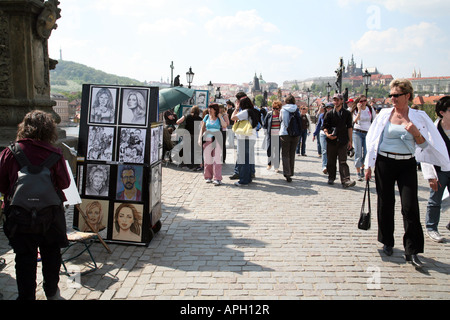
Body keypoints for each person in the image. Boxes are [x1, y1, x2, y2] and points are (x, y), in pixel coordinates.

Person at [365, 79, 449, 268]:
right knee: (385, 203)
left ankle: (412, 250)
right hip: (384, 163)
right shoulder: (384, 115)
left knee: (410, 207)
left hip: (407, 164)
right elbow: (372, 139)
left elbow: (426, 147)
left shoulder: (419, 117)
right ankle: (387, 241)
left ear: (407, 96)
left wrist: (416, 133)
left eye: (396, 95)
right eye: (391, 95)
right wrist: (368, 165)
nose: (392, 99)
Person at [0, 110, 71, 300]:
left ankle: (26, 296)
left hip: (19, 215)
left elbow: (2, 184)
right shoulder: (55, 153)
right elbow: (64, 183)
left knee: (24, 258)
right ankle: (51, 292)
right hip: (50, 215)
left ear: (24, 128)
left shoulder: (10, 152)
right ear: (49, 130)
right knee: (51, 255)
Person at [421, 96, 450, 243]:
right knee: (435, 200)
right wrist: (430, 176)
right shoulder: (434, 129)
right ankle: (431, 227)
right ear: (442, 112)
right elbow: (426, 152)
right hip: (439, 170)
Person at [322, 93, 356, 188]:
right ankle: (331, 177)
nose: (336, 102)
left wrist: (350, 141)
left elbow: (349, 127)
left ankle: (346, 180)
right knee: (331, 160)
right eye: (334, 100)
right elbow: (325, 127)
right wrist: (328, 135)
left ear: (341, 101)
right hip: (331, 140)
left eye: (338, 100)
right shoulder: (329, 113)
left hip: (343, 140)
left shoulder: (346, 113)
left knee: (343, 161)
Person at [231, 96, 259, 186]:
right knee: (247, 159)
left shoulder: (245, 112)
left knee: (243, 160)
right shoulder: (253, 111)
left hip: (245, 138)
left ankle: (243, 180)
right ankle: (248, 178)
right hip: (251, 137)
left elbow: (233, 118)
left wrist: (236, 108)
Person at [198, 103, 227, 186]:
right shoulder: (206, 117)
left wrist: (220, 117)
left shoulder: (219, 118)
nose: (209, 110)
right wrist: (200, 138)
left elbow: (224, 125)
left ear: (215, 109)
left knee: (217, 159)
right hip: (207, 139)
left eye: (211, 109)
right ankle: (208, 176)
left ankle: (217, 178)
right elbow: (202, 128)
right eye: (209, 108)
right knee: (207, 159)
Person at [351, 95, 374, 181]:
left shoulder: (370, 109)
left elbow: (374, 120)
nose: (363, 102)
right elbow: (355, 121)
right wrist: (359, 110)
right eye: (361, 101)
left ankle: (363, 167)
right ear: (358, 102)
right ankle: (358, 172)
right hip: (357, 132)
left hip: (368, 132)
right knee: (358, 152)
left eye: (365, 100)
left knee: (366, 152)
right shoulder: (355, 110)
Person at [279, 95, 302, 182]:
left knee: (285, 154)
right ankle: (291, 172)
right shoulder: (296, 109)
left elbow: (281, 120)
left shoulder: (283, 110)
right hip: (295, 134)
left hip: (285, 133)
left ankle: (287, 173)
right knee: (292, 153)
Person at [263, 100, 282, 172]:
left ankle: (276, 167)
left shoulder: (281, 115)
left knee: (277, 151)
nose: (275, 110)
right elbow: (265, 123)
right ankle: (269, 164)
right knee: (269, 150)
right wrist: (265, 131)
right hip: (270, 135)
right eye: (274, 108)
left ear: (279, 108)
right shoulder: (269, 114)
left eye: (277, 108)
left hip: (278, 135)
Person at [314, 103, 333, 174]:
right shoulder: (322, 115)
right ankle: (324, 166)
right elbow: (318, 125)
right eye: (327, 108)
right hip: (323, 133)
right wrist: (314, 134)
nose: (329, 109)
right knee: (324, 150)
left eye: (330, 108)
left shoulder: (335, 116)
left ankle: (330, 165)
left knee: (331, 151)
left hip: (331, 134)